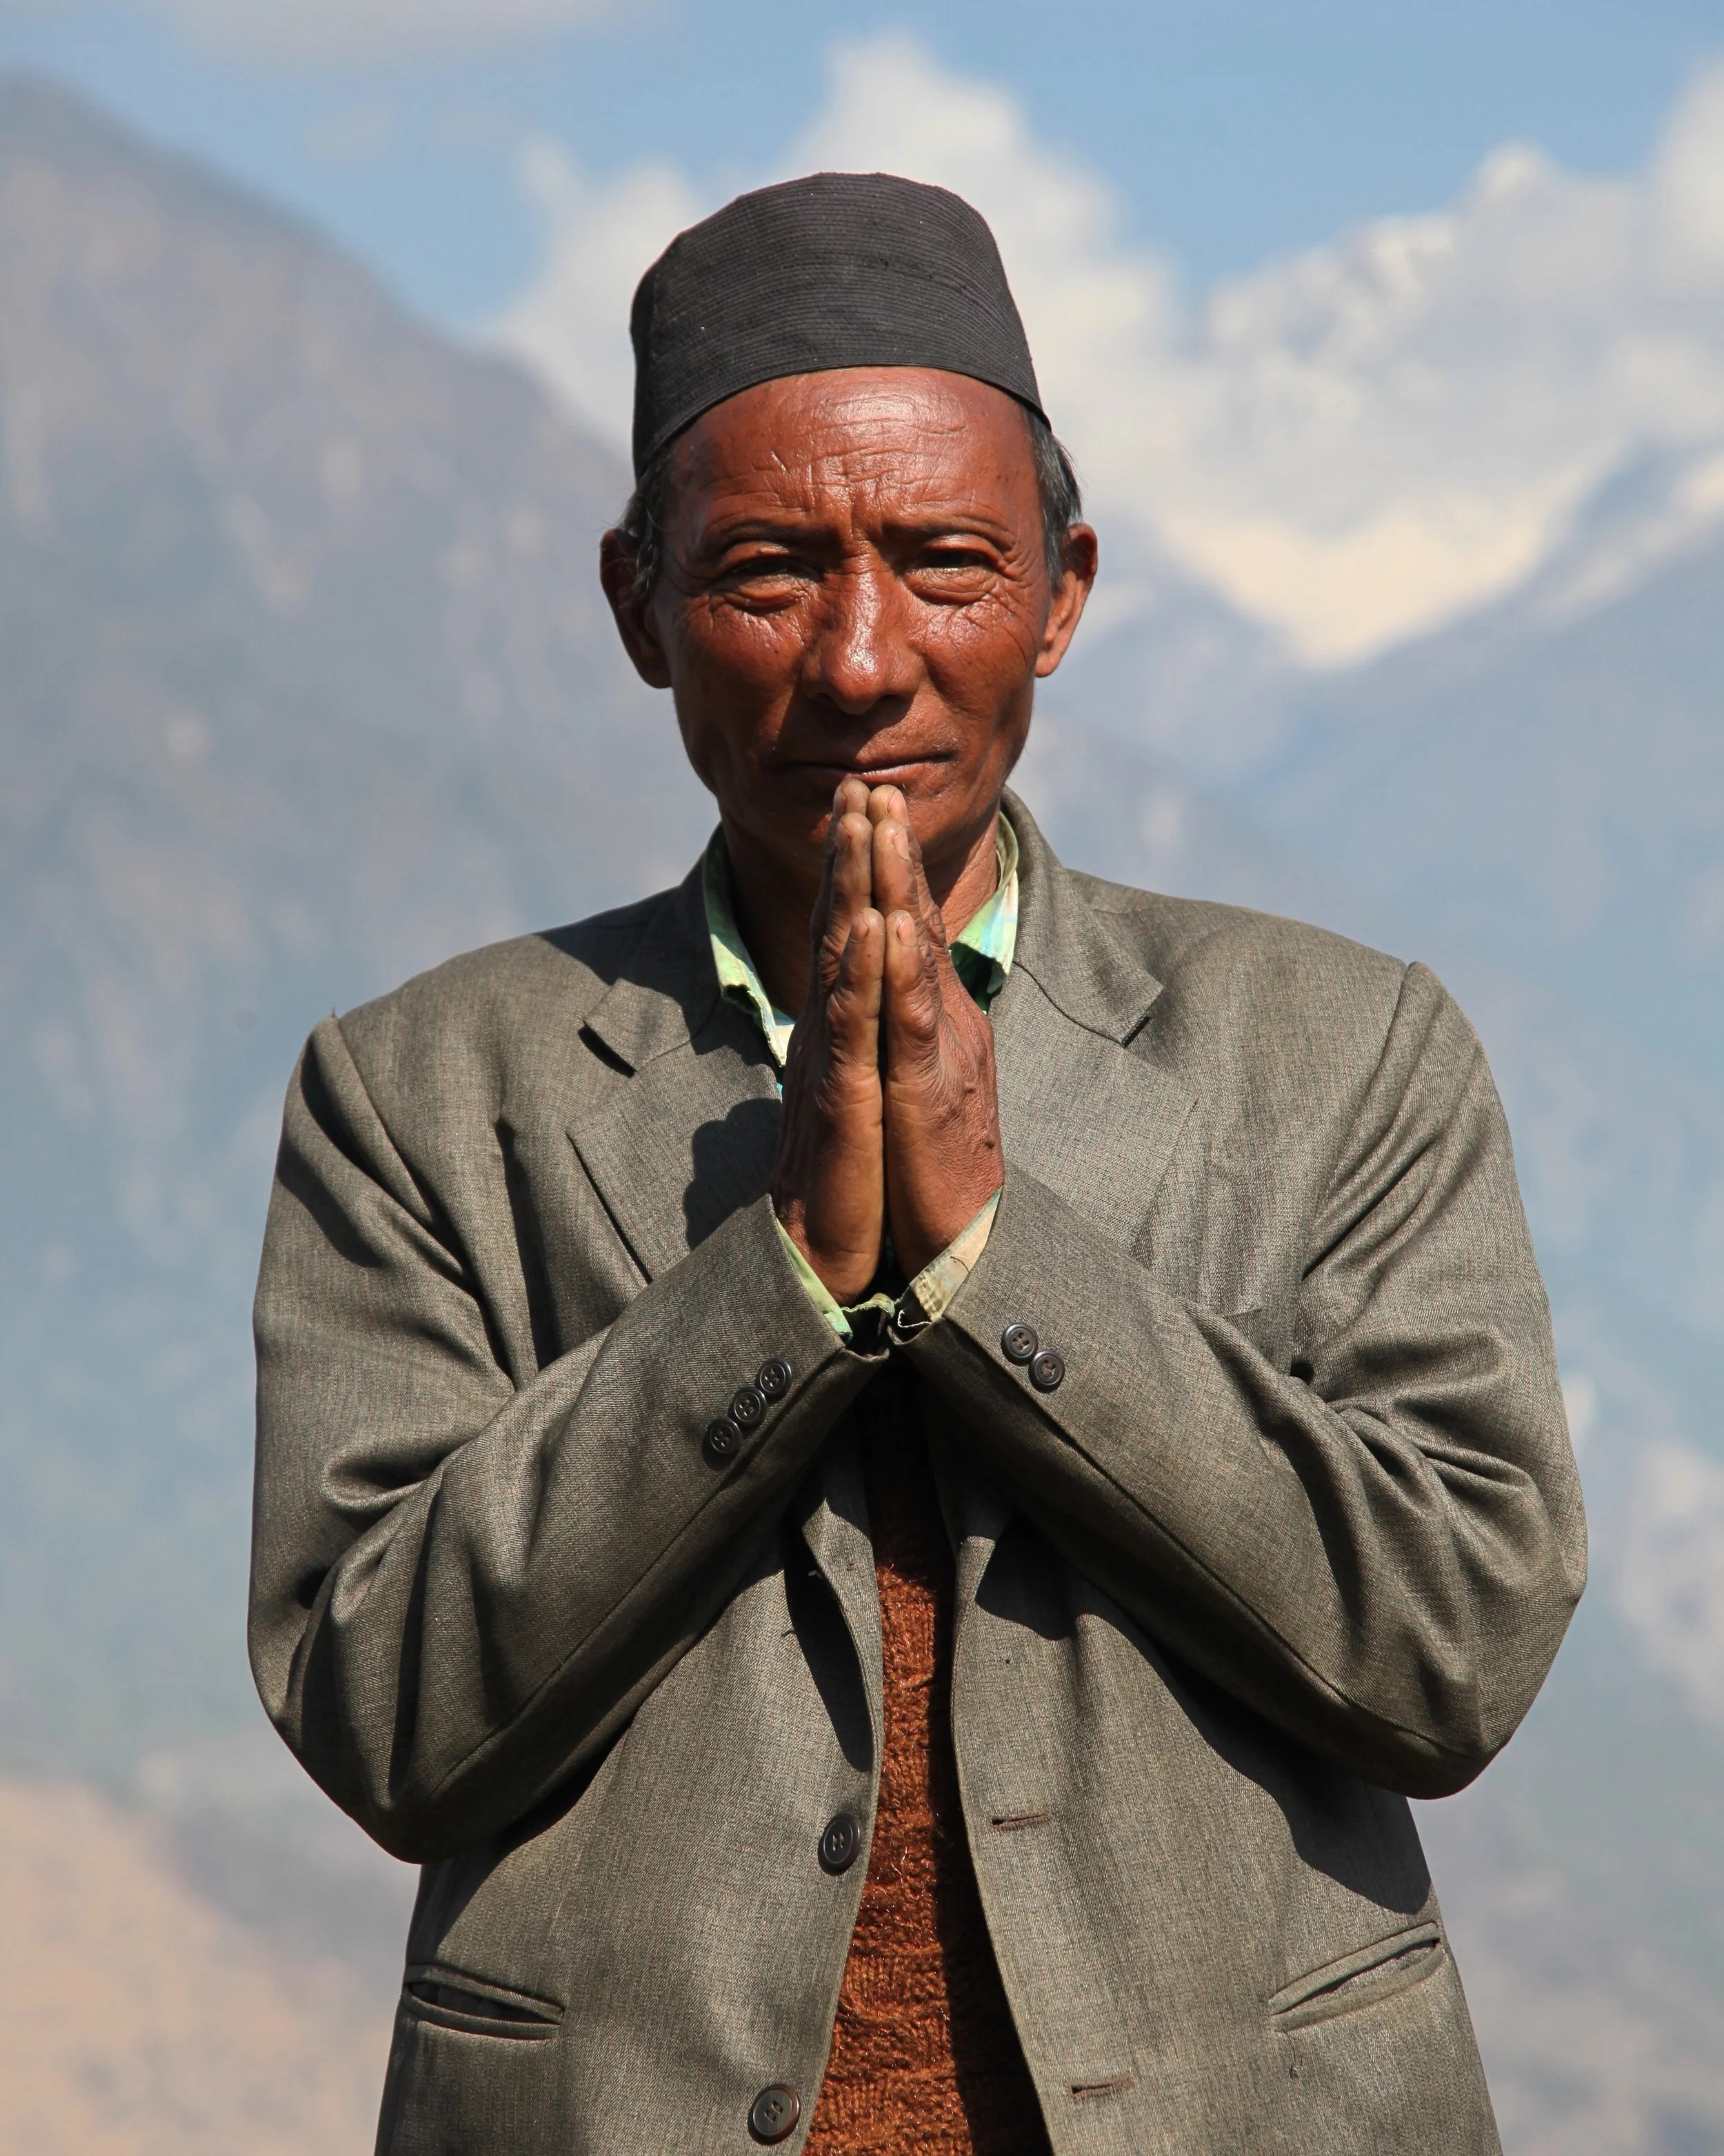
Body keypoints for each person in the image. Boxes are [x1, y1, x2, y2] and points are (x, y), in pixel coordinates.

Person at [249, 173, 1585, 2156]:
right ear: (638, 603)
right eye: (770, 570)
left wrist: (987, 1256)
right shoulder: (426, 1088)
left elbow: (1454, 1642)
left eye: (945, 563)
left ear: (1061, 588)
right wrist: (778, 1280)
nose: (862, 660)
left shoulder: (1334, 1049)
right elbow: (385, 1706)